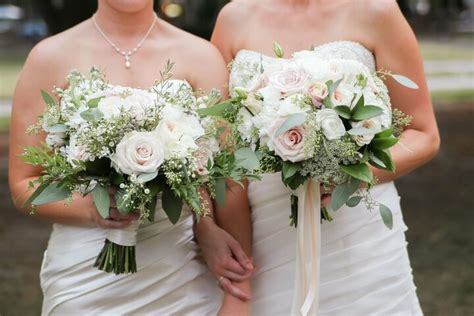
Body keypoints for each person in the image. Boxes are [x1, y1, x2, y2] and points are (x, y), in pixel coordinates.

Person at [9, 0, 253, 314]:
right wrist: (91, 210)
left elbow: (224, 176)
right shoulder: (49, 56)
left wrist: (207, 231)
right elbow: (24, 184)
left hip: (179, 273)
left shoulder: (201, 55)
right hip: (83, 275)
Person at [202, 0, 440, 314]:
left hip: (358, 235)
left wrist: (355, 174)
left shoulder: (376, 10)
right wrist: (205, 226)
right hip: (265, 238)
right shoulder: (234, 17)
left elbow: (424, 134)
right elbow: (218, 151)